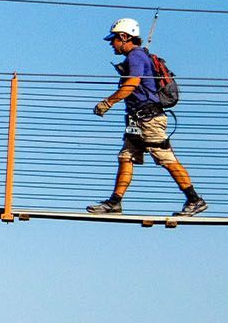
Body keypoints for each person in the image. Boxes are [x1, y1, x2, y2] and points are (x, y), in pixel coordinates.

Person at [86, 18, 207, 217]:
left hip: (149, 120)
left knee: (165, 158)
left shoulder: (135, 57)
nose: (111, 44)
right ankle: (114, 203)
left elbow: (132, 83)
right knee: (126, 157)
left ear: (124, 37)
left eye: (114, 39)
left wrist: (107, 103)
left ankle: (194, 199)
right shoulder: (138, 57)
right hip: (137, 120)